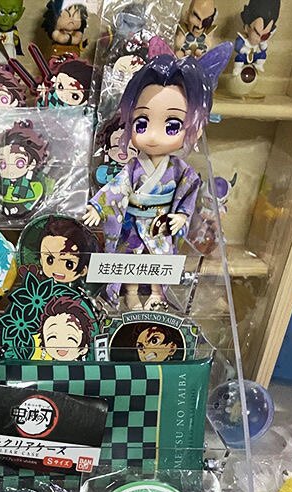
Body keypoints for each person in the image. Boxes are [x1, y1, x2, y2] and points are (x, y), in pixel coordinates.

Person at [84, 39, 232, 309]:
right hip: (133, 222)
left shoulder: (181, 171)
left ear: (196, 127)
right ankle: (130, 294)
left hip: (161, 224)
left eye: (172, 126)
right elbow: (118, 187)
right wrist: (98, 206)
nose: (152, 136)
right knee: (130, 260)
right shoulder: (133, 167)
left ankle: (156, 295)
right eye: (141, 123)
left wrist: (181, 216)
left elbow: (189, 194)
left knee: (158, 260)